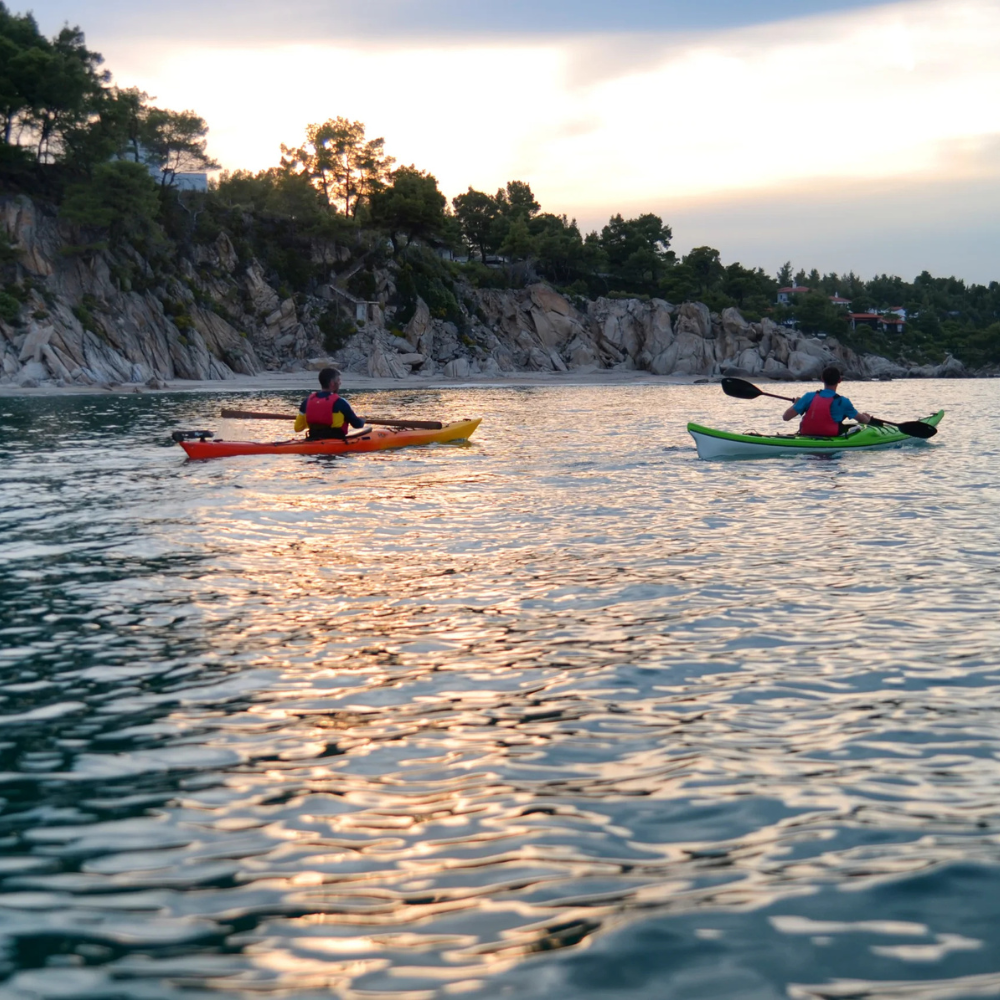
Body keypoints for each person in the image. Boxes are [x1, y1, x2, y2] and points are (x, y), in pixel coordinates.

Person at [783, 365, 872, 436]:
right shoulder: (843, 402)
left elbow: (786, 417)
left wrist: (796, 404)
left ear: (822, 379)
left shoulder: (808, 397)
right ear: (840, 381)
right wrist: (867, 418)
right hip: (831, 437)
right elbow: (862, 420)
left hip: (807, 435)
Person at [294, 367, 366, 440]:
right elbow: (357, 425)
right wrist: (362, 420)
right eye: (338, 380)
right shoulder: (341, 402)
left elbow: (297, 428)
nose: (340, 383)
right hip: (336, 441)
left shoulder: (306, 402)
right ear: (332, 383)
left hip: (313, 439)